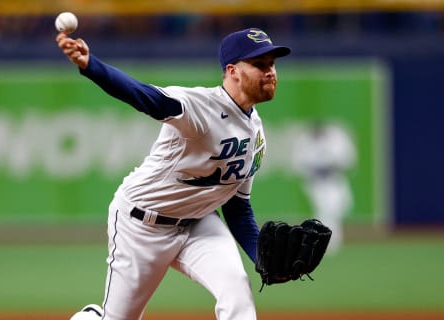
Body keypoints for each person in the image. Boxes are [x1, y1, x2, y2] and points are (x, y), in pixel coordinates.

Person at [56, 27, 291, 320]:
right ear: (233, 71)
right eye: (259, 65)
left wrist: (262, 259)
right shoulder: (201, 107)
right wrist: (92, 66)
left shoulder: (256, 132)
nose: (270, 72)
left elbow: (236, 206)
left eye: (272, 64)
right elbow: (144, 96)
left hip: (198, 223)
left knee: (236, 291)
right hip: (142, 223)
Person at [290, 121, 356, 254]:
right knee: (324, 211)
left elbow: (347, 161)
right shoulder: (305, 143)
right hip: (317, 182)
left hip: (334, 179)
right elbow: (299, 166)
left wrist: (331, 165)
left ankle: (324, 240)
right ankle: (327, 242)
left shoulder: (335, 140)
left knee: (342, 206)